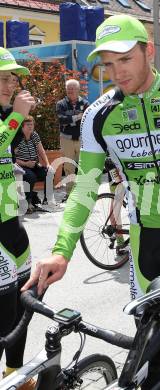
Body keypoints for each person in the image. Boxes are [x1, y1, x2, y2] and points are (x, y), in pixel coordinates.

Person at [23, 15, 160, 390]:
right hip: (146, 246)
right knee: (151, 364)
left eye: (125, 59)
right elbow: (85, 188)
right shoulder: (98, 114)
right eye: (108, 63)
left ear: (149, 51)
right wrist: (62, 251)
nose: (116, 72)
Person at [0, 47, 36, 389]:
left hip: (12, 223)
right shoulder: (7, 119)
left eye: (12, 77)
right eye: (3, 77)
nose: (10, 84)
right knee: (2, 314)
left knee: (25, 301)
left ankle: (16, 374)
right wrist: (15, 118)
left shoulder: (4, 114)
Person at [56, 79, 89, 202]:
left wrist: (70, 118)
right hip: (66, 139)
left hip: (81, 140)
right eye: (69, 88)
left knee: (83, 166)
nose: (71, 91)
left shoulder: (85, 103)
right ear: (66, 90)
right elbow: (61, 119)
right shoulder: (61, 104)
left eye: (73, 88)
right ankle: (70, 193)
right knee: (69, 167)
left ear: (78, 90)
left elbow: (86, 119)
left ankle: (83, 192)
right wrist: (77, 117)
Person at [13, 115, 52, 213]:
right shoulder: (17, 138)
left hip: (34, 164)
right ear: (22, 126)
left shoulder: (34, 135)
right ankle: (28, 203)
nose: (30, 126)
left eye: (32, 124)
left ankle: (47, 201)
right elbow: (12, 157)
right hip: (21, 166)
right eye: (28, 124)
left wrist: (47, 164)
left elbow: (41, 151)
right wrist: (25, 163)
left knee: (49, 172)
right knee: (31, 177)